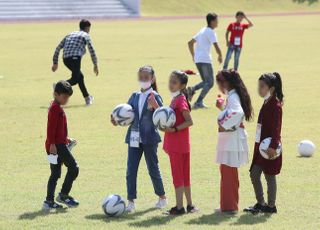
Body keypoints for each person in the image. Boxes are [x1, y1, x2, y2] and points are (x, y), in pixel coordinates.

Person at [111, 66, 167, 212]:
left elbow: (163, 117)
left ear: (152, 79)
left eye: (146, 77)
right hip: (134, 139)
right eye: (140, 76)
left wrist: (155, 106)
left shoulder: (155, 96)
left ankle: (162, 197)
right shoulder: (134, 96)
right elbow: (126, 114)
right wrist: (116, 120)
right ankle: (131, 201)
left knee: (153, 168)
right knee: (131, 170)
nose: (143, 79)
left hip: (149, 139)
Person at [244, 72, 284, 214]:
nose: (259, 89)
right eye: (258, 86)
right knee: (254, 174)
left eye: (262, 86)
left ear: (271, 88)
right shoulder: (267, 101)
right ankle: (261, 203)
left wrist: (273, 146)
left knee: (269, 175)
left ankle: (271, 206)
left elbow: (276, 128)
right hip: (261, 147)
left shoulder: (275, 105)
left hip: (269, 148)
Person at [215, 70, 253, 214]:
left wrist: (223, 125)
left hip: (231, 140)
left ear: (225, 83)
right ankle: (228, 205)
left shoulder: (233, 97)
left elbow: (237, 113)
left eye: (219, 82)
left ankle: (229, 207)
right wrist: (222, 108)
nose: (218, 86)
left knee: (228, 172)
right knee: (228, 172)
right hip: (232, 139)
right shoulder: (233, 95)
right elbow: (234, 112)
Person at [162, 71, 198, 215]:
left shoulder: (180, 100)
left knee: (178, 176)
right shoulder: (177, 98)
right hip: (181, 144)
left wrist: (174, 129)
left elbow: (189, 121)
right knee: (184, 176)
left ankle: (179, 207)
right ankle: (189, 205)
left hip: (177, 145)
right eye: (170, 81)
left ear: (182, 85)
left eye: (174, 82)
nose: (171, 84)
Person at [43, 80, 80, 210]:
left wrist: (66, 138)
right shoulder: (55, 109)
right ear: (56, 94)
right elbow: (51, 129)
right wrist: (53, 144)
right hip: (56, 146)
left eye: (68, 98)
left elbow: (58, 128)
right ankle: (63, 195)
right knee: (74, 168)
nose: (66, 100)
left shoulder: (56, 107)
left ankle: (49, 201)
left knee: (55, 174)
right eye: (64, 97)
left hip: (58, 143)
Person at [51, 19, 99, 106]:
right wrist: (95, 64)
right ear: (87, 28)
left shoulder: (70, 34)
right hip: (75, 58)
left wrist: (55, 62)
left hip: (65, 59)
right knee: (75, 79)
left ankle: (87, 98)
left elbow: (58, 47)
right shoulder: (85, 35)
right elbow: (92, 50)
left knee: (80, 77)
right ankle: (58, 87)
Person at [187, 13, 223, 109]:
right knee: (210, 82)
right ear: (212, 21)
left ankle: (191, 90)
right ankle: (198, 102)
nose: (218, 22)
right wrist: (220, 55)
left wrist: (194, 56)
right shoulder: (211, 32)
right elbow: (216, 45)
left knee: (206, 81)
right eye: (216, 21)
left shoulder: (202, 30)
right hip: (205, 60)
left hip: (198, 60)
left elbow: (190, 43)